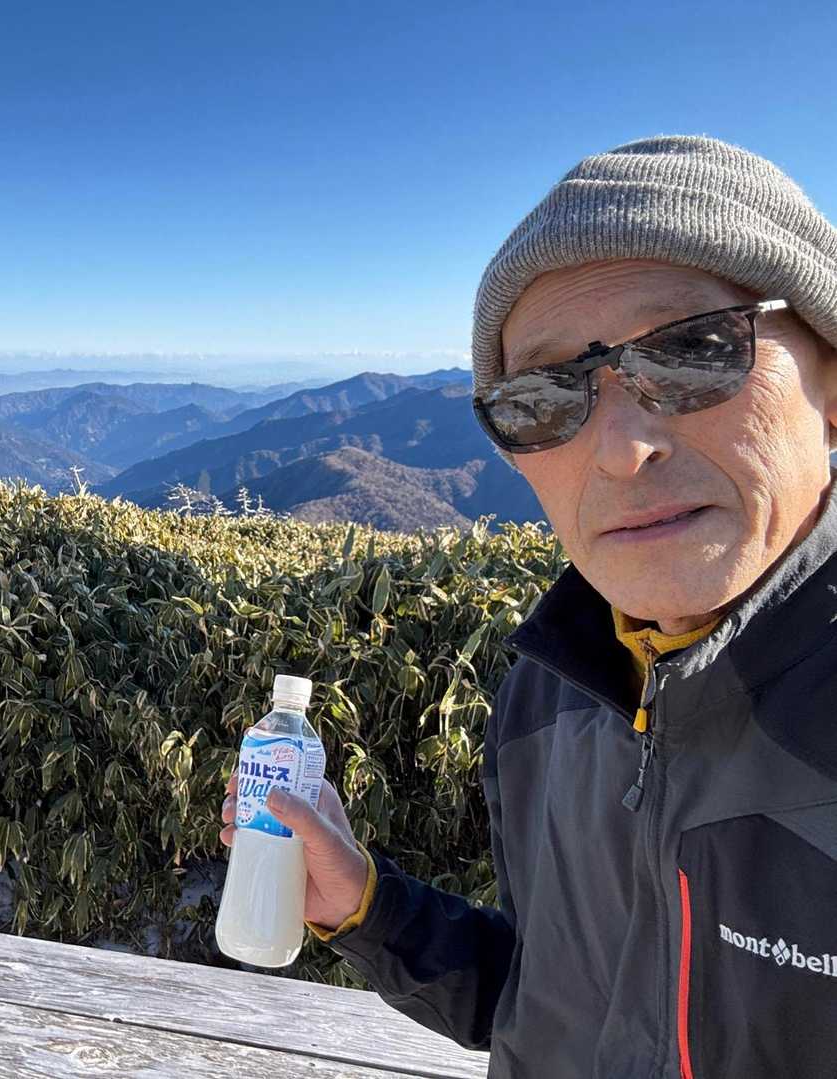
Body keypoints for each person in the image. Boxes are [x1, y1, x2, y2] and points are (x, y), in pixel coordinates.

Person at [219, 135, 837, 1078]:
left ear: (828, 375)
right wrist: (363, 904)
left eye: (693, 350)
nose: (620, 448)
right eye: (546, 397)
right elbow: (546, 1003)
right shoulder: (548, 696)